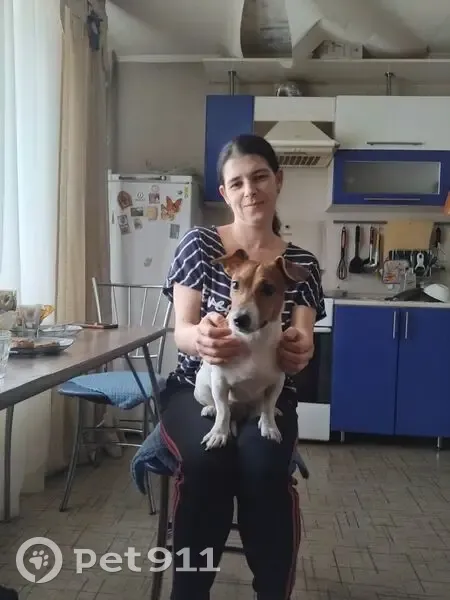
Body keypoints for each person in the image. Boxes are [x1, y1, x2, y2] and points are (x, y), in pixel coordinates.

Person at [159, 133, 326, 600]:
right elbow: (181, 330)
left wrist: (298, 348)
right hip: (197, 387)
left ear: (279, 181)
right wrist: (201, 339)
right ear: (224, 192)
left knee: (263, 467)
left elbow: (304, 336)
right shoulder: (199, 245)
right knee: (207, 464)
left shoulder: (301, 264)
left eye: (259, 177)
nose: (249, 190)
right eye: (237, 183)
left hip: (268, 392)